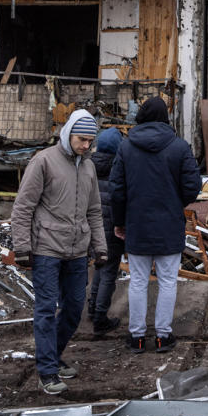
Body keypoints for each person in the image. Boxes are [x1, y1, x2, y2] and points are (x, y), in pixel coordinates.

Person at [11, 109, 107, 395]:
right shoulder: (43, 161)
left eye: (90, 141)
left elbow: (94, 211)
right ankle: (47, 371)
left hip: (77, 251)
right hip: (46, 250)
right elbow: (23, 207)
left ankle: (54, 355)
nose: (86, 146)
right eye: (81, 139)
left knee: (75, 308)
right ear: (68, 134)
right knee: (45, 309)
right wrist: (22, 248)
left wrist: (100, 247)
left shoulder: (88, 166)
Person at [110, 97, 200, 354]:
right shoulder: (180, 147)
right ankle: (163, 336)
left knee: (137, 281)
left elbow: (117, 190)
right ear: (165, 118)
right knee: (168, 281)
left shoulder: (126, 148)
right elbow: (193, 187)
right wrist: (174, 203)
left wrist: (119, 221)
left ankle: (137, 337)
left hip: (136, 224)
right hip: (169, 224)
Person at [87, 127, 125, 336]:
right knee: (109, 271)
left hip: (92, 228)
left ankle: (92, 309)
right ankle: (101, 317)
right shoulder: (118, 169)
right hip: (112, 229)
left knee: (99, 267)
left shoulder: (88, 166)